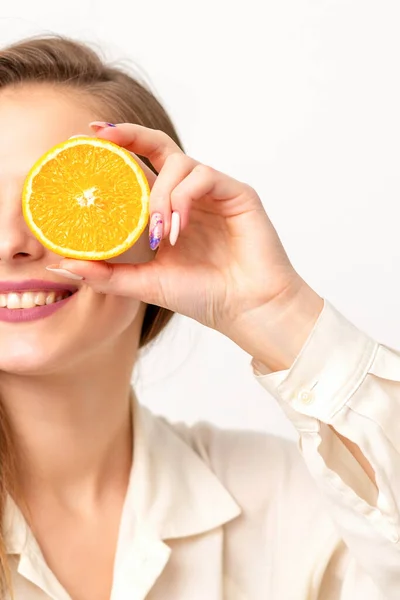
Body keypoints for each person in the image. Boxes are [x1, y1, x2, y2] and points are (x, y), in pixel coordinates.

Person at [0, 34, 398, 600]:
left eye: (63, 201)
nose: (7, 243)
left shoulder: (289, 499)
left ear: (153, 221)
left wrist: (278, 310)